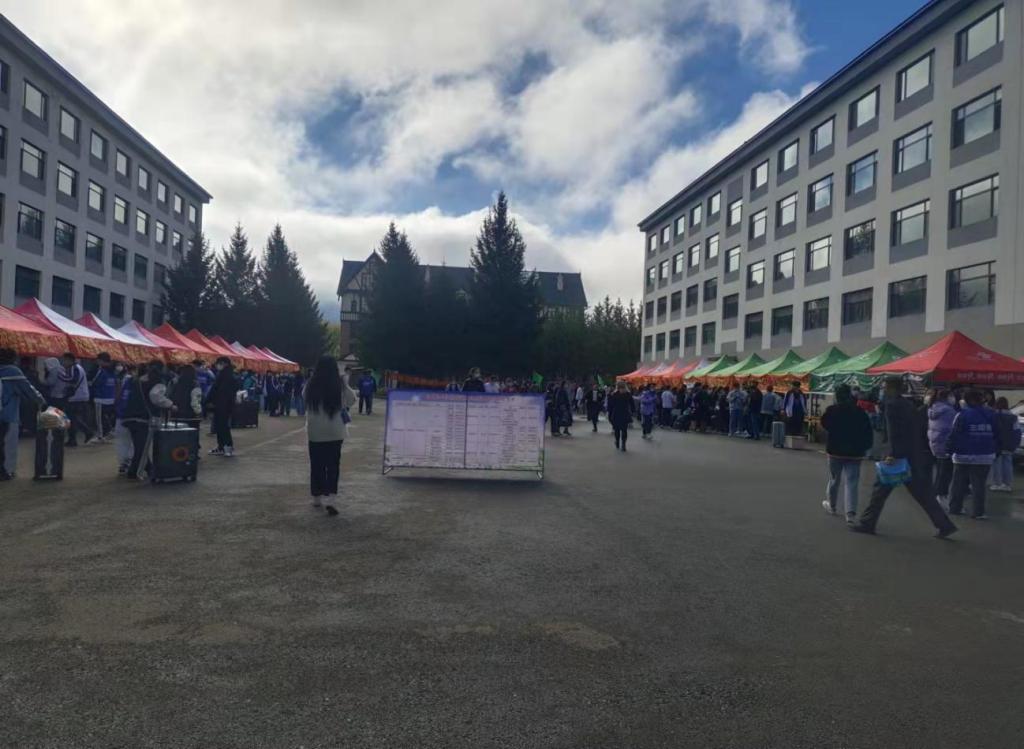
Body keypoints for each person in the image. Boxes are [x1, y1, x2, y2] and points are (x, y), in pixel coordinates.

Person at [851, 377, 958, 538]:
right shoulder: (907, 405)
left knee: (880, 491)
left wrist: (892, 454)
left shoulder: (892, 406)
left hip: (897, 456)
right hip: (912, 454)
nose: (883, 390)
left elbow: (893, 432)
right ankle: (944, 524)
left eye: (884, 387)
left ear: (891, 388)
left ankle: (867, 522)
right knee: (921, 493)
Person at [304, 355, 357, 516]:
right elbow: (352, 400)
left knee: (317, 464)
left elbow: (304, 398)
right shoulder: (340, 384)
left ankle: (317, 497)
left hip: (315, 431)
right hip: (335, 432)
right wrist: (345, 384)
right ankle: (331, 499)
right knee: (333, 465)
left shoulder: (311, 384)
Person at [820, 384, 873, 523]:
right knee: (852, 482)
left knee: (834, 479)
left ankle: (832, 505)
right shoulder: (860, 412)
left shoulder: (832, 410)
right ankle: (850, 513)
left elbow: (824, 423)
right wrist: (865, 447)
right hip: (855, 453)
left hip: (835, 451)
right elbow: (868, 432)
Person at [946, 388, 998, 519]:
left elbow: (954, 434)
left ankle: (955, 508)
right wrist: (995, 450)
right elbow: (997, 434)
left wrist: (949, 450)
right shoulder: (991, 414)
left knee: (958, 483)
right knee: (978, 485)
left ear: (967, 400)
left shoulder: (961, 415)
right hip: (984, 455)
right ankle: (978, 512)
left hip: (962, 455)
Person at [121, 360, 176, 480]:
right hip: (143, 418)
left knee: (140, 445)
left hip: (129, 416)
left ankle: (148, 469)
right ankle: (135, 472)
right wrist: (171, 405)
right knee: (142, 447)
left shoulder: (137, 380)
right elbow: (156, 397)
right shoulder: (157, 380)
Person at [0, 348, 47, 479]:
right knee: (8, 443)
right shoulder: (13, 371)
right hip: (8, 414)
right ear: (12, 358)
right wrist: (41, 401)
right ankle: (7, 470)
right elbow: (28, 389)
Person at [926, 388, 957, 507]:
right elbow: (952, 428)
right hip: (945, 444)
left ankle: (936, 493)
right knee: (945, 472)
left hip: (936, 443)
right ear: (947, 397)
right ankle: (941, 494)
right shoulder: (949, 410)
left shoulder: (933, 408)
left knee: (940, 470)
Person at [59, 352, 95, 447]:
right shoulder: (76, 368)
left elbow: (72, 379)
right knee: (72, 418)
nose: (63, 362)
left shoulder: (74, 368)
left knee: (72, 418)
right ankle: (72, 439)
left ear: (69, 360)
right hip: (78, 396)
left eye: (64, 360)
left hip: (76, 397)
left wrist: (60, 375)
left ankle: (87, 432)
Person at [207, 357, 239, 457]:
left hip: (223, 405)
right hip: (221, 405)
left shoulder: (227, 376)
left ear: (224, 364)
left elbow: (221, 392)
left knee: (223, 427)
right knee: (220, 426)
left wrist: (212, 401)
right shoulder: (223, 374)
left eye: (219, 363)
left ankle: (228, 447)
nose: (217, 366)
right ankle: (221, 447)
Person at [990, 397, 1020, 493]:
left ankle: (997, 484)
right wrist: (1015, 443)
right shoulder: (1013, 417)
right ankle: (1007, 484)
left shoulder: (993, 415)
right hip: (1009, 444)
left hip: (996, 443)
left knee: (996, 464)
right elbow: (1017, 431)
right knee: (1007, 463)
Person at [90, 353, 118, 441]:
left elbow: (95, 382)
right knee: (106, 417)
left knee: (99, 419)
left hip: (100, 398)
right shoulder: (113, 371)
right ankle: (109, 433)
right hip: (111, 397)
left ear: (101, 360)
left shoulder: (101, 371)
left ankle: (100, 436)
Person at [170, 364, 203, 435]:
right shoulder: (195, 385)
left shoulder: (176, 383)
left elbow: (171, 396)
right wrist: (199, 412)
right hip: (190, 416)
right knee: (190, 437)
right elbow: (195, 402)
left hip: (176, 414)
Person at [607, 381, 634, 451]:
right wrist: (632, 412)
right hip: (625, 413)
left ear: (617, 387)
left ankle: (617, 441)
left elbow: (611, 404)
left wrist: (609, 412)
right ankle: (623, 444)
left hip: (616, 414)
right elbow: (632, 404)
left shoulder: (614, 394)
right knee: (624, 430)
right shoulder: (628, 394)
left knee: (617, 430)